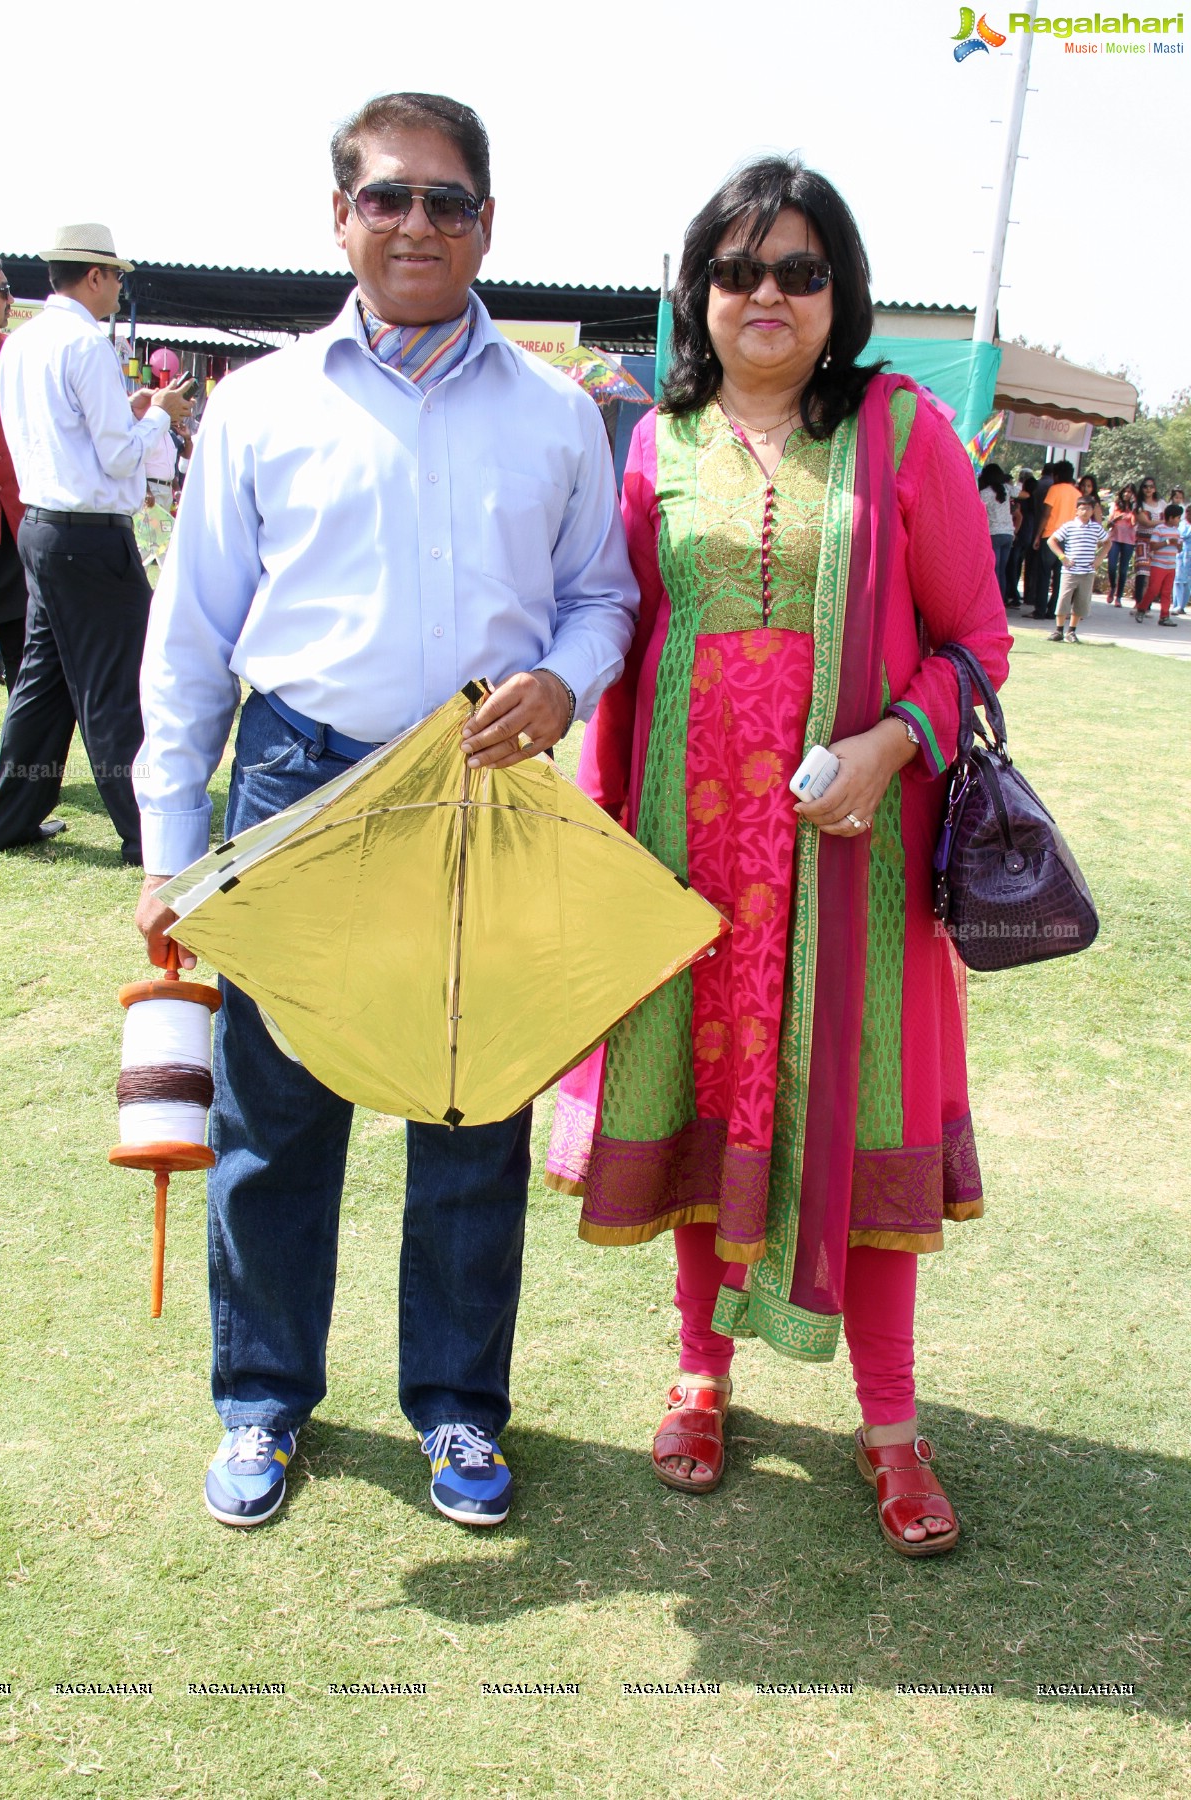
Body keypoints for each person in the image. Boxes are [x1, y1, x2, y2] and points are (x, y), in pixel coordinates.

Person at [133, 92, 637, 1533]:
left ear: (492, 222)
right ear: (339, 217)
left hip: (485, 793)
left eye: (448, 201)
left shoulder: (558, 414)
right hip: (301, 782)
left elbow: (603, 596)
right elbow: (192, 640)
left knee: (472, 1117)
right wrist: (175, 850)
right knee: (274, 1118)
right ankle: (263, 1402)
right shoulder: (262, 403)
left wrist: (562, 677)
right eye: (388, 197)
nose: (418, 223)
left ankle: (461, 1413)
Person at [545, 156, 1010, 1558]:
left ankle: (889, 1422)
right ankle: (701, 1373)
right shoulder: (652, 444)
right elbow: (613, 635)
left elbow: (976, 645)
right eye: (740, 270)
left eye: (799, 272)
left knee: (854, 1114)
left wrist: (886, 748)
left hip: (850, 855)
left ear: (839, 294)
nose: (767, 295)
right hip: (687, 848)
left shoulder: (903, 429)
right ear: (699, 291)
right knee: (705, 1098)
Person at [0, 225, 194, 860]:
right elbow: (115, 457)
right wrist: (160, 412)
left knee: (44, 683)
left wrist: (135, 412)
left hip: (42, 528)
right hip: (88, 536)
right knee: (116, 683)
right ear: (97, 277)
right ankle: (146, 833)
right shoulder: (85, 343)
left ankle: (9, 817)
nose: (119, 288)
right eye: (118, 277)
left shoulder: (21, 344)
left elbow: (77, 438)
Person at [0, 254, 28, 693]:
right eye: (2, 291)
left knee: (26, 673)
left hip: (14, 528)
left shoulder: (13, 354)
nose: (10, 299)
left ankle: (20, 766)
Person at [1047, 494, 1109, 643]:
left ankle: (1072, 631)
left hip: (1087, 571)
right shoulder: (1069, 526)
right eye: (1082, 509)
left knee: (1081, 602)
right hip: (1070, 571)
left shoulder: (1095, 528)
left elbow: (1108, 542)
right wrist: (1063, 557)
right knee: (1063, 600)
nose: (1085, 512)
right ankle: (1059, 630)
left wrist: (1099, 559)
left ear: (1093, 511)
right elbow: (1052, 541)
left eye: (1088, 509)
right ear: (1076, 511)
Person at [1031, 459, 1079, 618]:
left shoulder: (1054, 489)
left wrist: (1037, 535)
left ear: (1056, 475)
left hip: (1050, 536)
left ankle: (1040, 610)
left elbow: (1046, 514)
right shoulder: (1077, 493)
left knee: (1044, 574)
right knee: (1060, 576)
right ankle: (1054, 610)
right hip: (1070, 539)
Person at [1135, 502, 1182, 625]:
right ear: (1171, 518)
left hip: (1171, 566)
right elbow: (1153, 546)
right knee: (1153, 589)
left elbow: (1178, 549)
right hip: (1158, 565)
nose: (1179, 520)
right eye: (1178, 517)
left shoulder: (1177, 531)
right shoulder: (1159, 529)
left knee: (1167, 592)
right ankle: (1141, 609)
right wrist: (1167, 542)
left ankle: (1164, 616)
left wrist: (1179, 545)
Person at [977, 462, 1015, 604]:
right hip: (1008, 534)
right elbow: (1022, 492)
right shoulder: (1006, 489)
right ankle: (1001, 600)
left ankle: (993, 602)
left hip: (993, 534)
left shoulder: (985, 493)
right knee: (1002, 570)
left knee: (993, 570)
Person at [1005, 470, 1036, 608]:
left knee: (1012, 565)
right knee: (1017, 564)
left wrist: (1015, 532)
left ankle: (1013, 594)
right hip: (1027, 535)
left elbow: (1018, 517)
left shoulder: (1019, 501)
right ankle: (1014, 593)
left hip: (1018, 535)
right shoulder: (1032, 500)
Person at [1131, 474, 1161, 613]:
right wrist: (1163, 522)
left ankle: (1147, 605)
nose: (1148, 489)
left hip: (1158, 542)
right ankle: (1139, 603)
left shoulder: (1162, 503)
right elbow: (1145, 522)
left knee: (1152, 574)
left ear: (1154, 488)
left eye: (1151, 486)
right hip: (1143, 541)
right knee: (1142, 572)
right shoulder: (1138, 505)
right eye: (1145, 487)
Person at [1105, 486, 1137, 607]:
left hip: (1129, 540)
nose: (1127, 494)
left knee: (1123, 570)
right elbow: (1108, 524)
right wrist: (1115, 519)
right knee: (1112, 566)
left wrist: (1134, 510)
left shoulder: (1135, 507)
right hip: (1115, 538)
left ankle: (1118, 596)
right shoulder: (1115, 505)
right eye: (1125, 491)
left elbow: (1134, 523)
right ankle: (1113, 587)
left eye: (1130, 492)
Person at [1174, 499, 1191, 617]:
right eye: (1187, 511)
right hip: (1180, 555)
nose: (1188, 514)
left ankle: (1182, 605)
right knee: (1178, 580)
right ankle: (1177, 605)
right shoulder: (1181, 524)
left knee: (1188, 582)